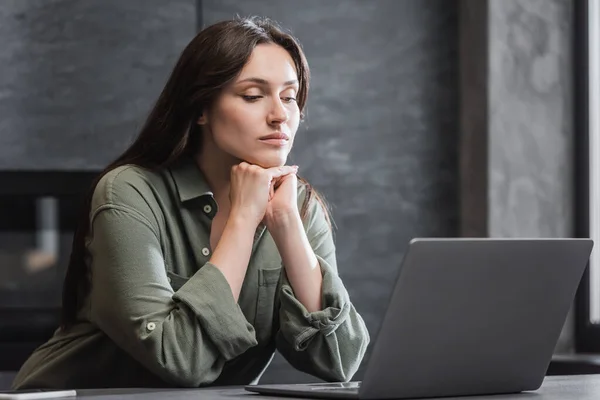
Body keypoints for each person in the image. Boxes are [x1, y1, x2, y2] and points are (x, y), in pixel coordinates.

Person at [12, 16, 369, 390]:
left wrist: (289, 228)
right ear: (200, 108)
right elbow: (180, 359)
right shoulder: (128, 191)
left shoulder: (294, 205)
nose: (280, 115)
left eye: (290, 97)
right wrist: (244, 219)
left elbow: (339, 360)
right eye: (252, 95)